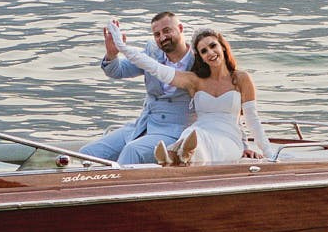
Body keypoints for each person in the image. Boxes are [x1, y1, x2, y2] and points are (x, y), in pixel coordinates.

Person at [112, 28, 271, 165]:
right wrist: (122, 47)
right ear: (200, 57)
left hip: (228, 138)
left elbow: (252, 120)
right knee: (193, 133)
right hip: (200, 131)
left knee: (198, 140)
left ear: (222, 47)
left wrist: (269, 154)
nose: (210, 53)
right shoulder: (195, 80)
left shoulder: (241, 78)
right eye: (203, 51)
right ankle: (176, 157)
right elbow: (156, 68)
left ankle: (176, 157)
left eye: (212, 46)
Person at [84, 10, 193, 165]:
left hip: (173, 133)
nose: (162, 38)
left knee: (132, 151)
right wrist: (112, 54)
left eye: (167, 31)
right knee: (86, 155)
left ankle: (117, 189)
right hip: (142, 126)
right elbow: (117, 71)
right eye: (157, 34)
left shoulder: (198, 61)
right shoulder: (152, 53)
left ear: (180, 28)